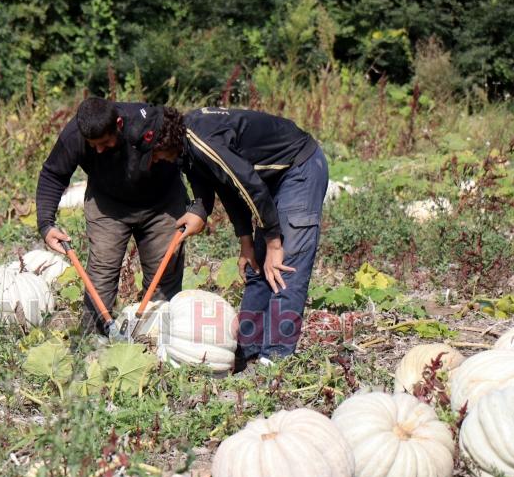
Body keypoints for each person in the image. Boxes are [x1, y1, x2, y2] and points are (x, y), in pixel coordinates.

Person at [147, 106, 329, 365]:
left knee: (284, 268)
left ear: (165, 142)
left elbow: (250, 187)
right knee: (258, 267)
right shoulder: (186, 148)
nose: (155, 160)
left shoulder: (204, 143)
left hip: (299, 168)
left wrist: (274, 243)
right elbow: (229, 188)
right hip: (269, 179)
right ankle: (247, 350)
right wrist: (246, 243)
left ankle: (276, 359)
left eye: (154, 154)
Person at [36, 97, 187, 338]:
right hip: (108, 205)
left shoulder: (148, 124)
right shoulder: (75, 134)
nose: (99, 149)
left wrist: (200, 207)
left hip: (162, 203)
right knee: (100, 275)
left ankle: (157, 341)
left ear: (118, 123)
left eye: (105, 142)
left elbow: (189, 157)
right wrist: (46, 224)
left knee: (164, 273)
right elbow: (53, 174)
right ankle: (92, 342)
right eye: (93, 145)